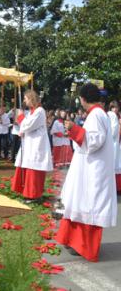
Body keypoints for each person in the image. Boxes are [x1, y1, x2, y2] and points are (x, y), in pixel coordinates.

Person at [56, 83, 117, 262]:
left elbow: (95, 141)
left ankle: (84, 245)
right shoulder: (98, 114)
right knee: (79, 201)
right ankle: (74, 241)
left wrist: (74, 129)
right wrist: (74, 131)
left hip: (93, 170)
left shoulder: (96, 115)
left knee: (87, 204)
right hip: (88, 166)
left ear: (83, 99)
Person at [11, 90, 53, 202]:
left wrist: (20, 118)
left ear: (31, 99)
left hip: (36, 144)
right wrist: (22, 130)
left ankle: (34, 195)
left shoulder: (40, 111)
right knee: (27, 167)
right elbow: (26, 126)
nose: (24, 101)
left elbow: (28, 125)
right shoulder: (31, 112)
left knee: (34, 169)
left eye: (26, 98)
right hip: (29, 143)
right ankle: (26, 192)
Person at [107, 101, 121, 193]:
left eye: (116, 107)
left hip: (114, 143)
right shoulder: (112, 115)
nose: (115, 109)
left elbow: (114, 132)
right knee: (115, 164)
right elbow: (114, 131)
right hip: (114, 143)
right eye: (113, 107)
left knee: (115, 164)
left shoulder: (112, 115)